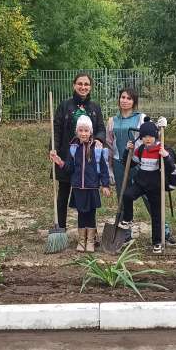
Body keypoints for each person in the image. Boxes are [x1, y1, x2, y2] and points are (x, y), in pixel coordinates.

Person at [49, 73, 107, 246]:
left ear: (90, 87)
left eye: (86, 84)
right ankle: (61, 230)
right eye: (80, 84)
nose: (83, 87)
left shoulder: (95, 108)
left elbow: (101, 129)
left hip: (88, 162)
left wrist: (99, 139)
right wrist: (53, 148)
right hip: (69, 158)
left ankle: (91, 234)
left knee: (89, 198)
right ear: (74, 85)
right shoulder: (65, 106)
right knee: (63, 194)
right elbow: (56, 130)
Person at [50, 115, 111, 252]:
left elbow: (103, 168)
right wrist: (60, 161)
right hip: (78, 187)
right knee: (81, 214)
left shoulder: (97, 148)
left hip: (92, 187)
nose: (83, 133)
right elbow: (70, 168)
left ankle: (90, 240)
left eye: (86, 130)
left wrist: (105, 185)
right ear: (77, 132)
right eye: (81, 130)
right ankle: (81, 240)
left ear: (91, 132)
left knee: (91, 214)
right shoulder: (73, 148)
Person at [118, 121, 175, 254]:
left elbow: (171, 167)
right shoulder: (141, 149)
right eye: (144, 136)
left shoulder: (161, 150)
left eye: (150, 136)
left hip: (155, 187)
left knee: (156, 215)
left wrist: (166, 156)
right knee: (127, 195)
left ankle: (157, 242)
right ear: (141, 138)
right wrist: (128, 150)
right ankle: (128, 219)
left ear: (155, 136)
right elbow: (130, 164)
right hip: (140, 183)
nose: (147, 139)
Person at [105, 88, 146, 195]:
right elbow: (109, 144)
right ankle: (123, 212)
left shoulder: (141, 118)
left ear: (134, 102)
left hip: (137, 161)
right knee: (122, 193)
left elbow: (153, 137)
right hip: (118, 162)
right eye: (123, 97)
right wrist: (109, 167)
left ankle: (156, 212)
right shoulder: (112, 121)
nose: (125, 100)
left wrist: (159, 128)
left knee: (146, 191)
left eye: (129, 98)